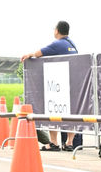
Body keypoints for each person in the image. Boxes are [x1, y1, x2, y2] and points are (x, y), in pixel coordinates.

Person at [20, 21, 79, 150]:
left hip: (58, 85)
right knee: (70, 114)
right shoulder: (72, 44)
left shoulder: (58, 44)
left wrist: (29, 55)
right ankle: (69, 143)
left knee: (53, 111)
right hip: (72, 84)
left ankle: (53, 143)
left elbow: (38, 53)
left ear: (57, 31)